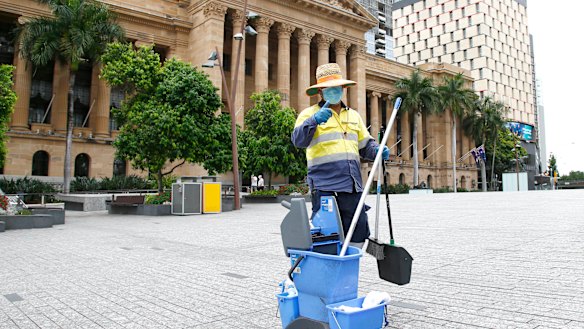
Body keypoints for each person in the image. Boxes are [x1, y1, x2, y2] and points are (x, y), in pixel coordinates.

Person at [291, 63, 389, 248]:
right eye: (329, 87)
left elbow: (365, 145)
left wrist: (376, 150)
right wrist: (314, 121)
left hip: (351, 184)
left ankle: (351, 264)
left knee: (358, 228)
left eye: (337, 87)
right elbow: (298, 141)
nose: (333, 90)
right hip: (324, 185)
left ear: (343, 88)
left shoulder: (354, 116)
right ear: (320, 91)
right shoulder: (308, 114)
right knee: (327, 231)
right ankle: (330, 267)